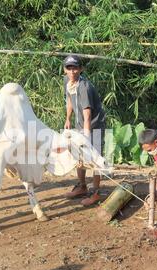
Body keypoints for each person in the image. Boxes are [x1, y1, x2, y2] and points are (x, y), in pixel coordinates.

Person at [62, 55, 106, 206]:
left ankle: (96, 193)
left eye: (75, 68)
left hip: (94, 125)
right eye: (69, 68)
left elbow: (87, 114)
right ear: (65, 70)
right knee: (78, 155)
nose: (72, 71)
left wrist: (86, 136)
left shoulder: (84, 87)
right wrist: (68, 118)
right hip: (80, 123)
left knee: (95, 158)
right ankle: (82, 186)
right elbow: (69, 100)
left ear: (81, 69)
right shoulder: (67, 82)